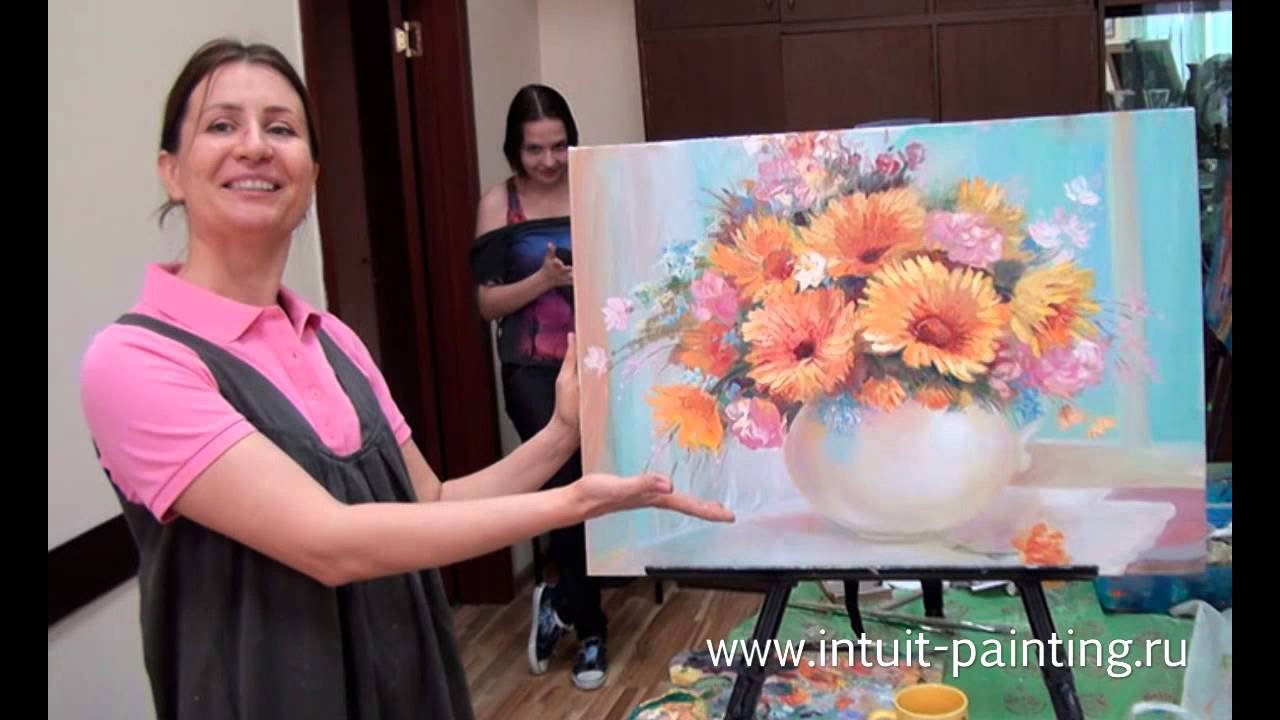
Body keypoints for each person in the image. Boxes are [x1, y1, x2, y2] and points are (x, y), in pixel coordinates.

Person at [78, 38, 733, 720]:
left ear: (312, 173)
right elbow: (329, 543)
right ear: (171, 171)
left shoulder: (333, 341)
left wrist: (562, 434)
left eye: (281, 128)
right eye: (222, 125)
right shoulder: (136, 362)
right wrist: (575, 504)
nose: (255, 147)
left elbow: (434, 500)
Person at [469, 84, 608, 691]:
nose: (549, 161)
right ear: (514, 150)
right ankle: (593, 629)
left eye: (558, 146)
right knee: (564, 486)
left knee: (596, 487)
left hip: (596, 361)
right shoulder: (498, 203)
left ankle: (560, 599)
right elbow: (486, 303)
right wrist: (544, 280)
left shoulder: (593, 184)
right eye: (534, 149)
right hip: (531, 370)